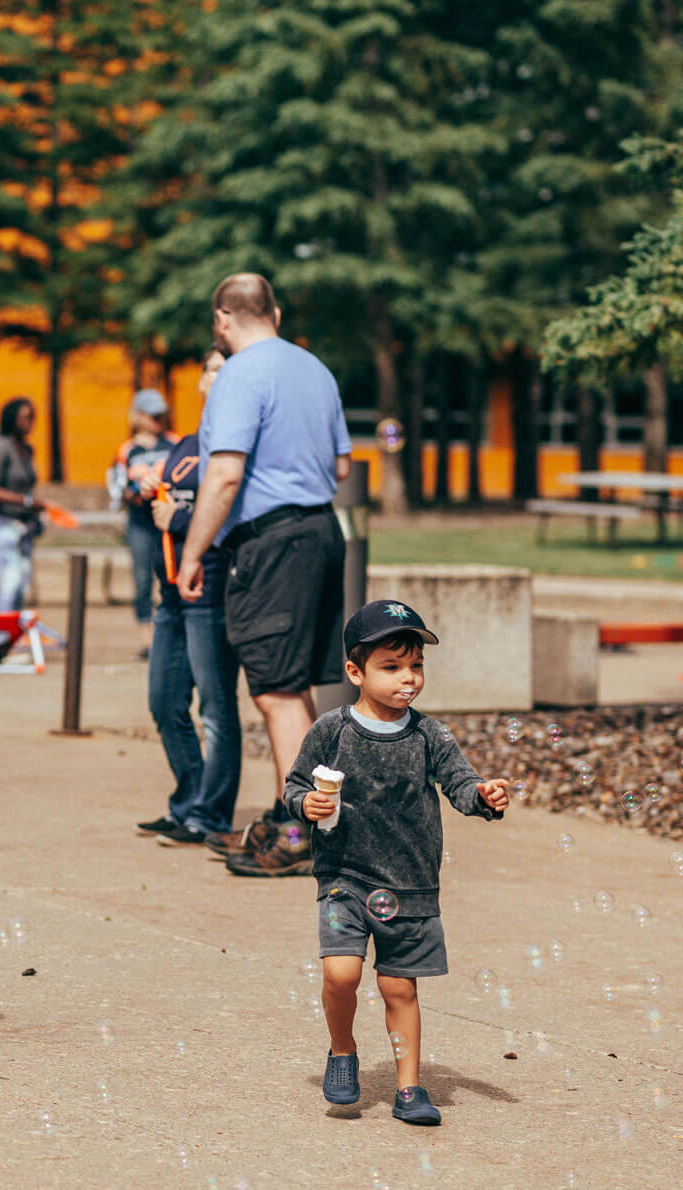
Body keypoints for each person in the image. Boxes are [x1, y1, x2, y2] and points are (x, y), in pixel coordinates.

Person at [284, 601, 510, 1124]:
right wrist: (305, 805)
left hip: (409, 883)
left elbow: (460, 784)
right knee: (341, 974)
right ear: (355, 672)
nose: (408, 679)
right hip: (344, 875)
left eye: (416, 666)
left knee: (398, 987)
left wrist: (485, 795)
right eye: (392, 667)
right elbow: (295, 786)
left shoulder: (430, 736)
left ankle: (409, 1088)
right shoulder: (331, 730)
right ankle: (342, 1052)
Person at [177, 273, 354, 872]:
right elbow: (344, 465)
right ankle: (293, 817)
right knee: (294, 684)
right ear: (273, 311)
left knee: (276, 692)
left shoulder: (239, 373)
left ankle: (302, 838)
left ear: (221, 320)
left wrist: (193, 553)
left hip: (272, 542)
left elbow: (224, 474)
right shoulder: (316, 369)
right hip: (324, 533)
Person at [135, 349, 240, 847]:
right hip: (171, 596)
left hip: (210, 590)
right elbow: (179, 497)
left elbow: (230, 507)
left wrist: (176, 518)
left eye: (226, 368)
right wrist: (153, 489)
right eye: (210, 369)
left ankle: (212, 814)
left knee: (215, 709)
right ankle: (189, 800)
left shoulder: (236, 441)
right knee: (164, 702)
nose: (216, 377)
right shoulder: (186, 444)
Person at [110, 389, 178, 659]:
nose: (158, 419)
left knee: (171, 576)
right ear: (138, 416)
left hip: (169, 521)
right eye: (152, 414)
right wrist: (132, 492)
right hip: (140, 523)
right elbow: (118, 486)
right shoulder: (127, 450)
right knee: (141, 581)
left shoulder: (174, 443)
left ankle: (170, 635)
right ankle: (147, 640)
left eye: (161, 414)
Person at [0, 398, 42, 610]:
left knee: (22, 582)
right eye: (26, 418)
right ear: (12, 419)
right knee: (10, 580)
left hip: (24, 524)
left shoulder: (27, 449)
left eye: (33, 418)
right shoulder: (1, 448)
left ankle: (11, 634)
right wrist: (25, 501)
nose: (30, 423)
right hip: (2, 523)